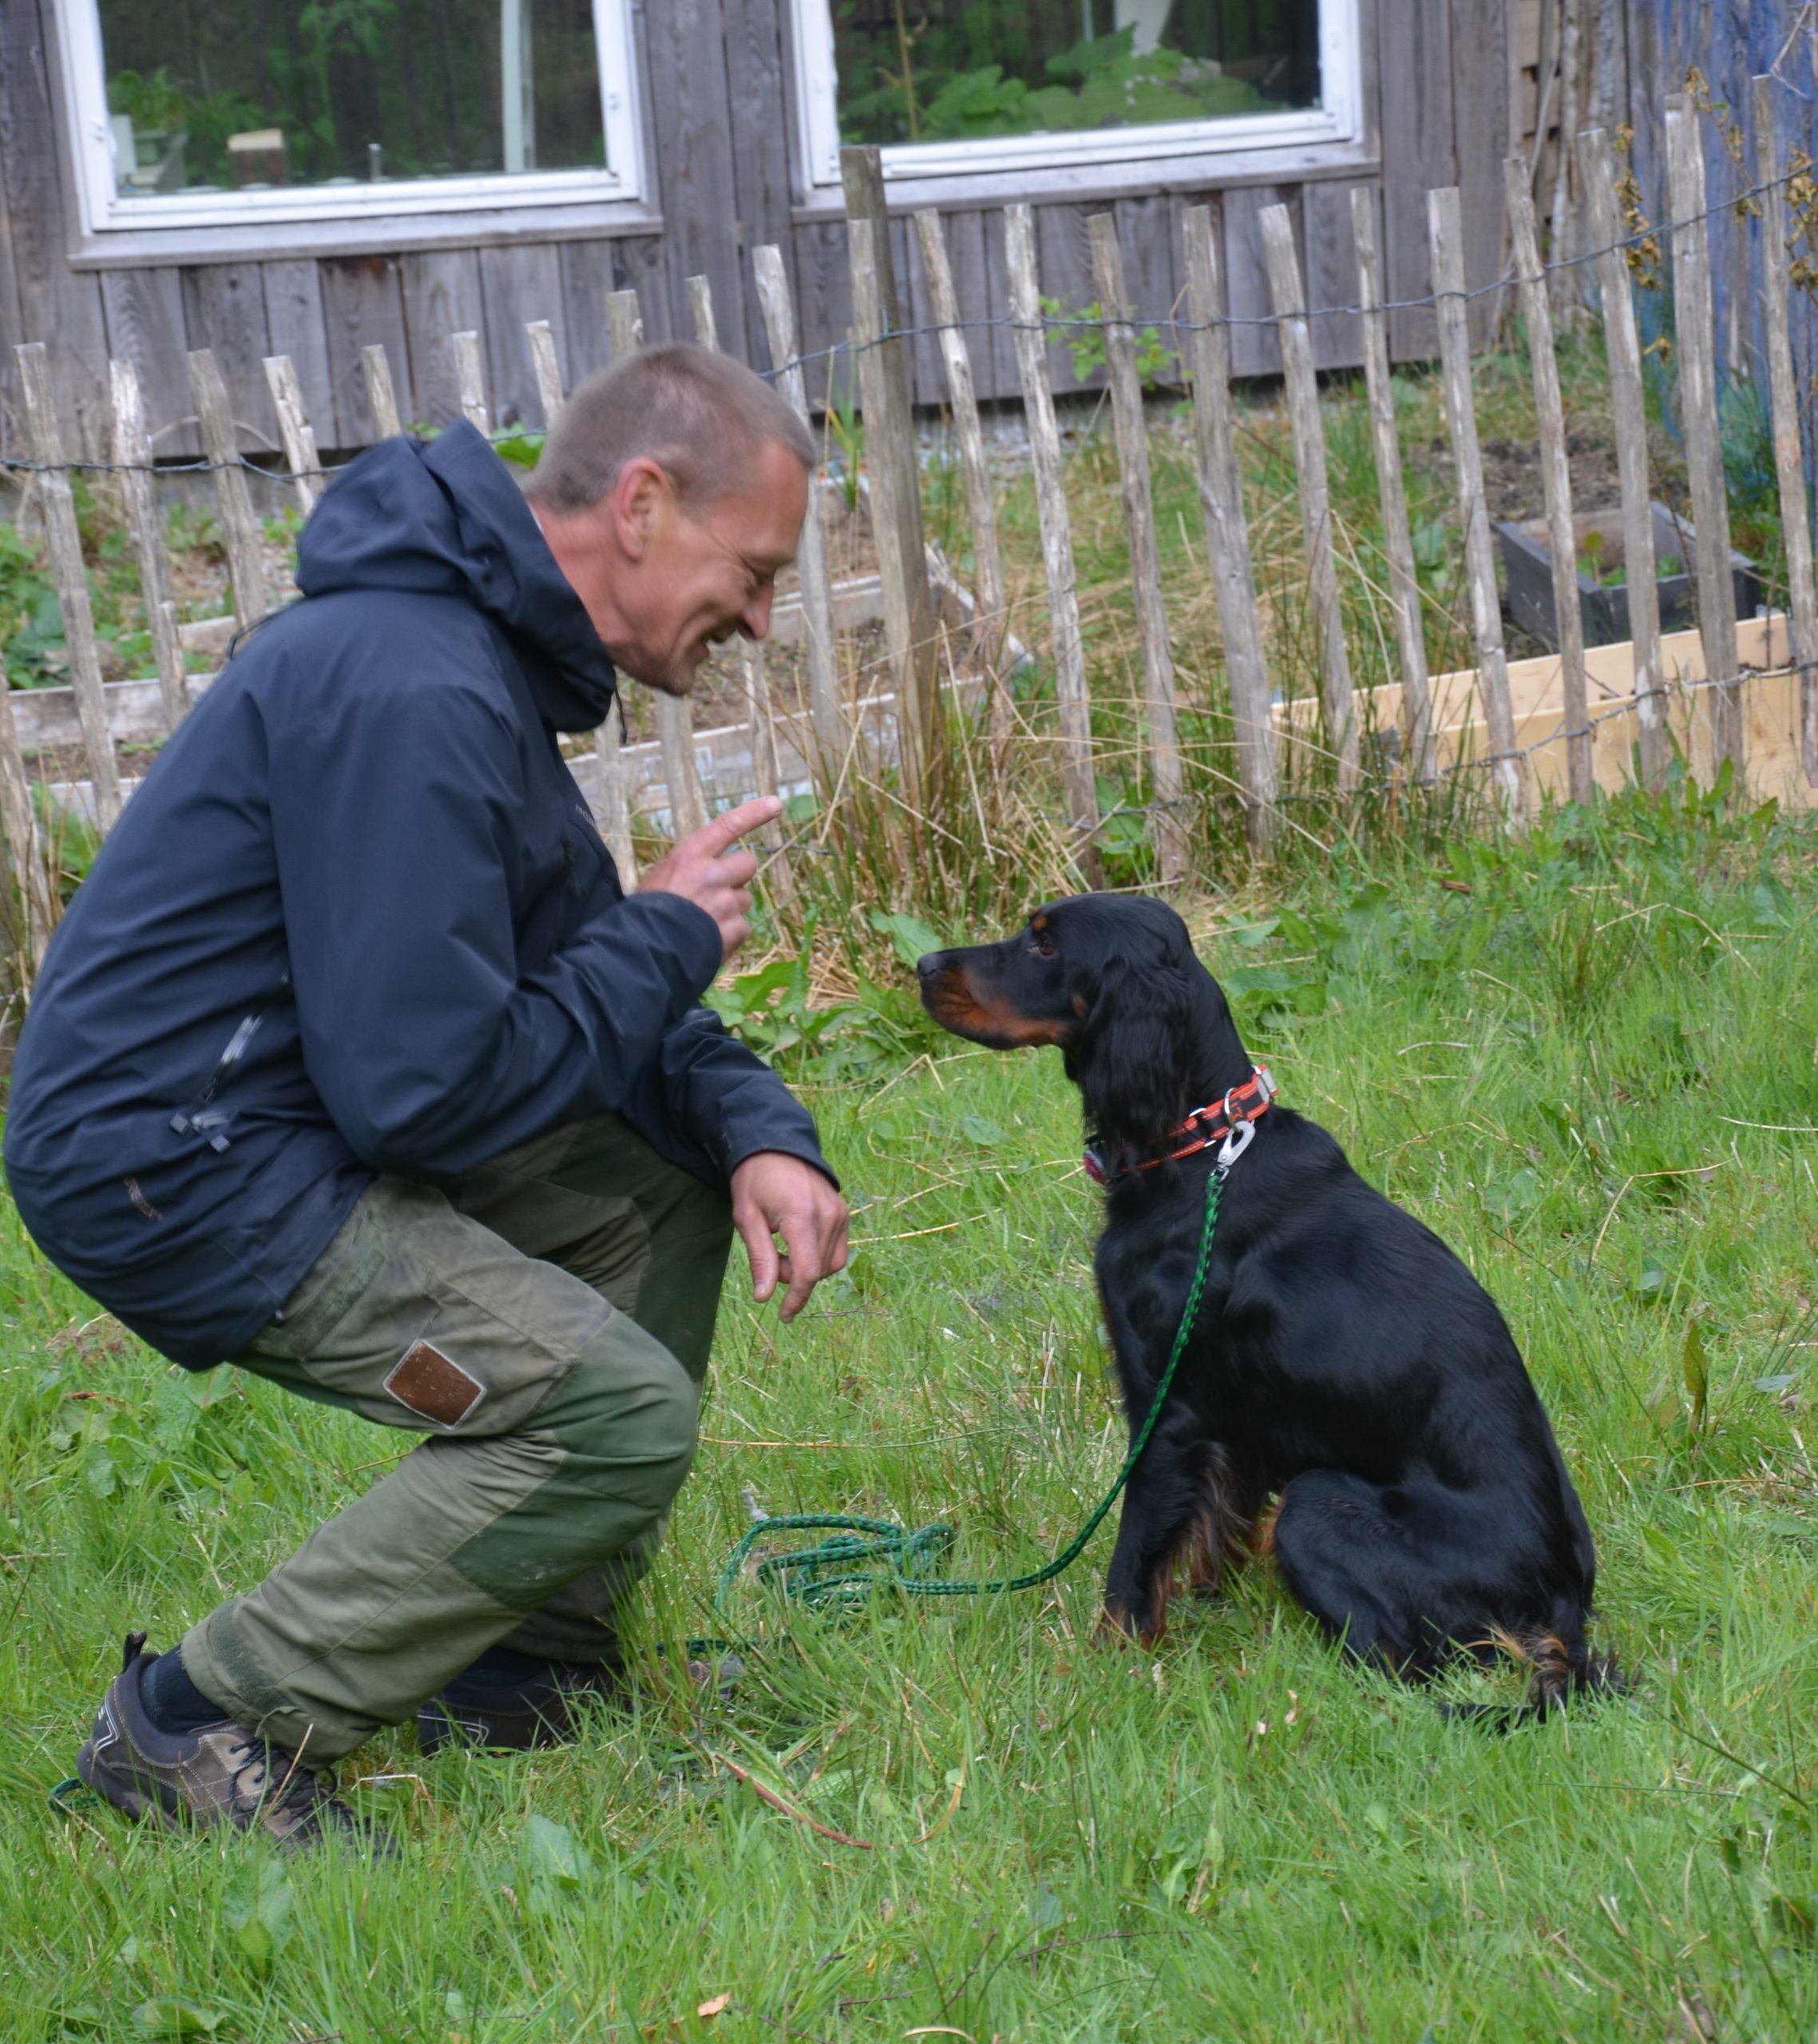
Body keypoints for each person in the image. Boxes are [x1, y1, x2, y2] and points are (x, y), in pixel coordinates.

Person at [5, 343, 850, 1848]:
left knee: (655, 1186)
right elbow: (424, 1095)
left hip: (275, 1117)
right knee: (610, 1416)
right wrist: (662, 934)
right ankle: (201, 1727)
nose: (764, 619)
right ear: (642, 504)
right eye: (757, 569)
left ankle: (520, 1662)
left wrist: (757, 1130)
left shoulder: (464, 669)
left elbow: (575, 988)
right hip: (174, 1161)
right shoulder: (411, 686)